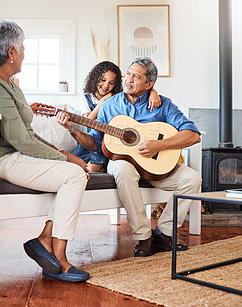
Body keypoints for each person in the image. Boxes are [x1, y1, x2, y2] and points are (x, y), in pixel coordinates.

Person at [0, 19, 90, 282]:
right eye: (22, 48)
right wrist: (67, 156)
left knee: (74, 171)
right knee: (75, 174)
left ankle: (46, 240)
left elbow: (27, 135)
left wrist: (61, 153)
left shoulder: (7, 82)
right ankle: (59, 254)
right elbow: (21, 141)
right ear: (11, 52)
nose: (24, 53)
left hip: (11, 155)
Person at [56, 57, 201, 257]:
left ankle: (164, 232)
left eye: (136, 76)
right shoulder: (109, 106)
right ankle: (143, 236)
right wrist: (72, 129)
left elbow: (193, 135)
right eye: (128, 74)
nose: (129, 79)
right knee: (123, 169)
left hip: (155, 166)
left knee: (193, 179)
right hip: (123, 163)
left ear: (149, 84)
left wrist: (159, 145)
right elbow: (95, 144)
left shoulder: (163, 104)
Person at [72, 61, 161, 173]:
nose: (105, 86)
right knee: (71, 166)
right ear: (95, 78)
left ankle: (102, 167)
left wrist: (153, 91)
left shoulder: (117, 99)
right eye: (103, 80)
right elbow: (87, 121)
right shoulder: (87, 98)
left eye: (111, 83)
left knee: (90, 170)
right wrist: (102, 102)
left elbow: (139, 89)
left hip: (110, 144)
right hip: (91, 142)